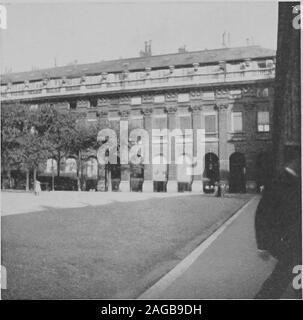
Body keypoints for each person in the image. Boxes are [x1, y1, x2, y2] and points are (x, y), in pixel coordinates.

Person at [254, 157, 302, 299]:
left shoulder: (283, 181)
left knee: (284, 275)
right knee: (283, 275)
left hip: (291, 240)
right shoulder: (280, 182)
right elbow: (263, 214)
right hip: (292, 241)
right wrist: (262, 244)